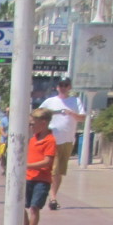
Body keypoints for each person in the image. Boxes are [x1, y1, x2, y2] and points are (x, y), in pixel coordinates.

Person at [39, 76, 86, 210]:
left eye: (66, 85)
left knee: (59, 171)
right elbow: (37, 115)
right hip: (52, 139)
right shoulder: (50, 101)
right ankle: (52, 197)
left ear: (69, 87)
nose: (63, 87)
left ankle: (53, 195)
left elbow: (82, 117)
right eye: (61, 85)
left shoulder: (75, 101)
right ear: (57, 87)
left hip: (68, 140)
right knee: (54, 169)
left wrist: (72, 114)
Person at [23, 108, 57, 225]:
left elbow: (47, 161)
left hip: (42, 179)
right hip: (28, 177)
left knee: (34, 208)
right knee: (21, 207)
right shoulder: (32, 140)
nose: (31, 126)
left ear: (43, 123)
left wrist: (27, 165)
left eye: (33, 123)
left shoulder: (50, 140)